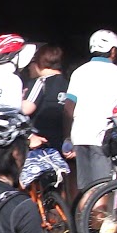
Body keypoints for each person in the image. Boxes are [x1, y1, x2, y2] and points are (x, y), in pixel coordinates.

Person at [64, 28, 117, 194]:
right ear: (113, 51)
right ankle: (99, 219)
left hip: (80, 136)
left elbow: (68, 108)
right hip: (102, 137)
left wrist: (67, 137)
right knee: (102, 190)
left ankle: (84, 219)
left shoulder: (79, 72)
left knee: (87, 189)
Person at [20, 44, 69, 190]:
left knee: (31, 182)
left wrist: (18, 99)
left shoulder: (41, 82)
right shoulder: (67, 83)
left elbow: (27, 108)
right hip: (60, 139)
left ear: (38, 63)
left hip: (40, 140)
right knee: (57, 185)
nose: (29, 68)